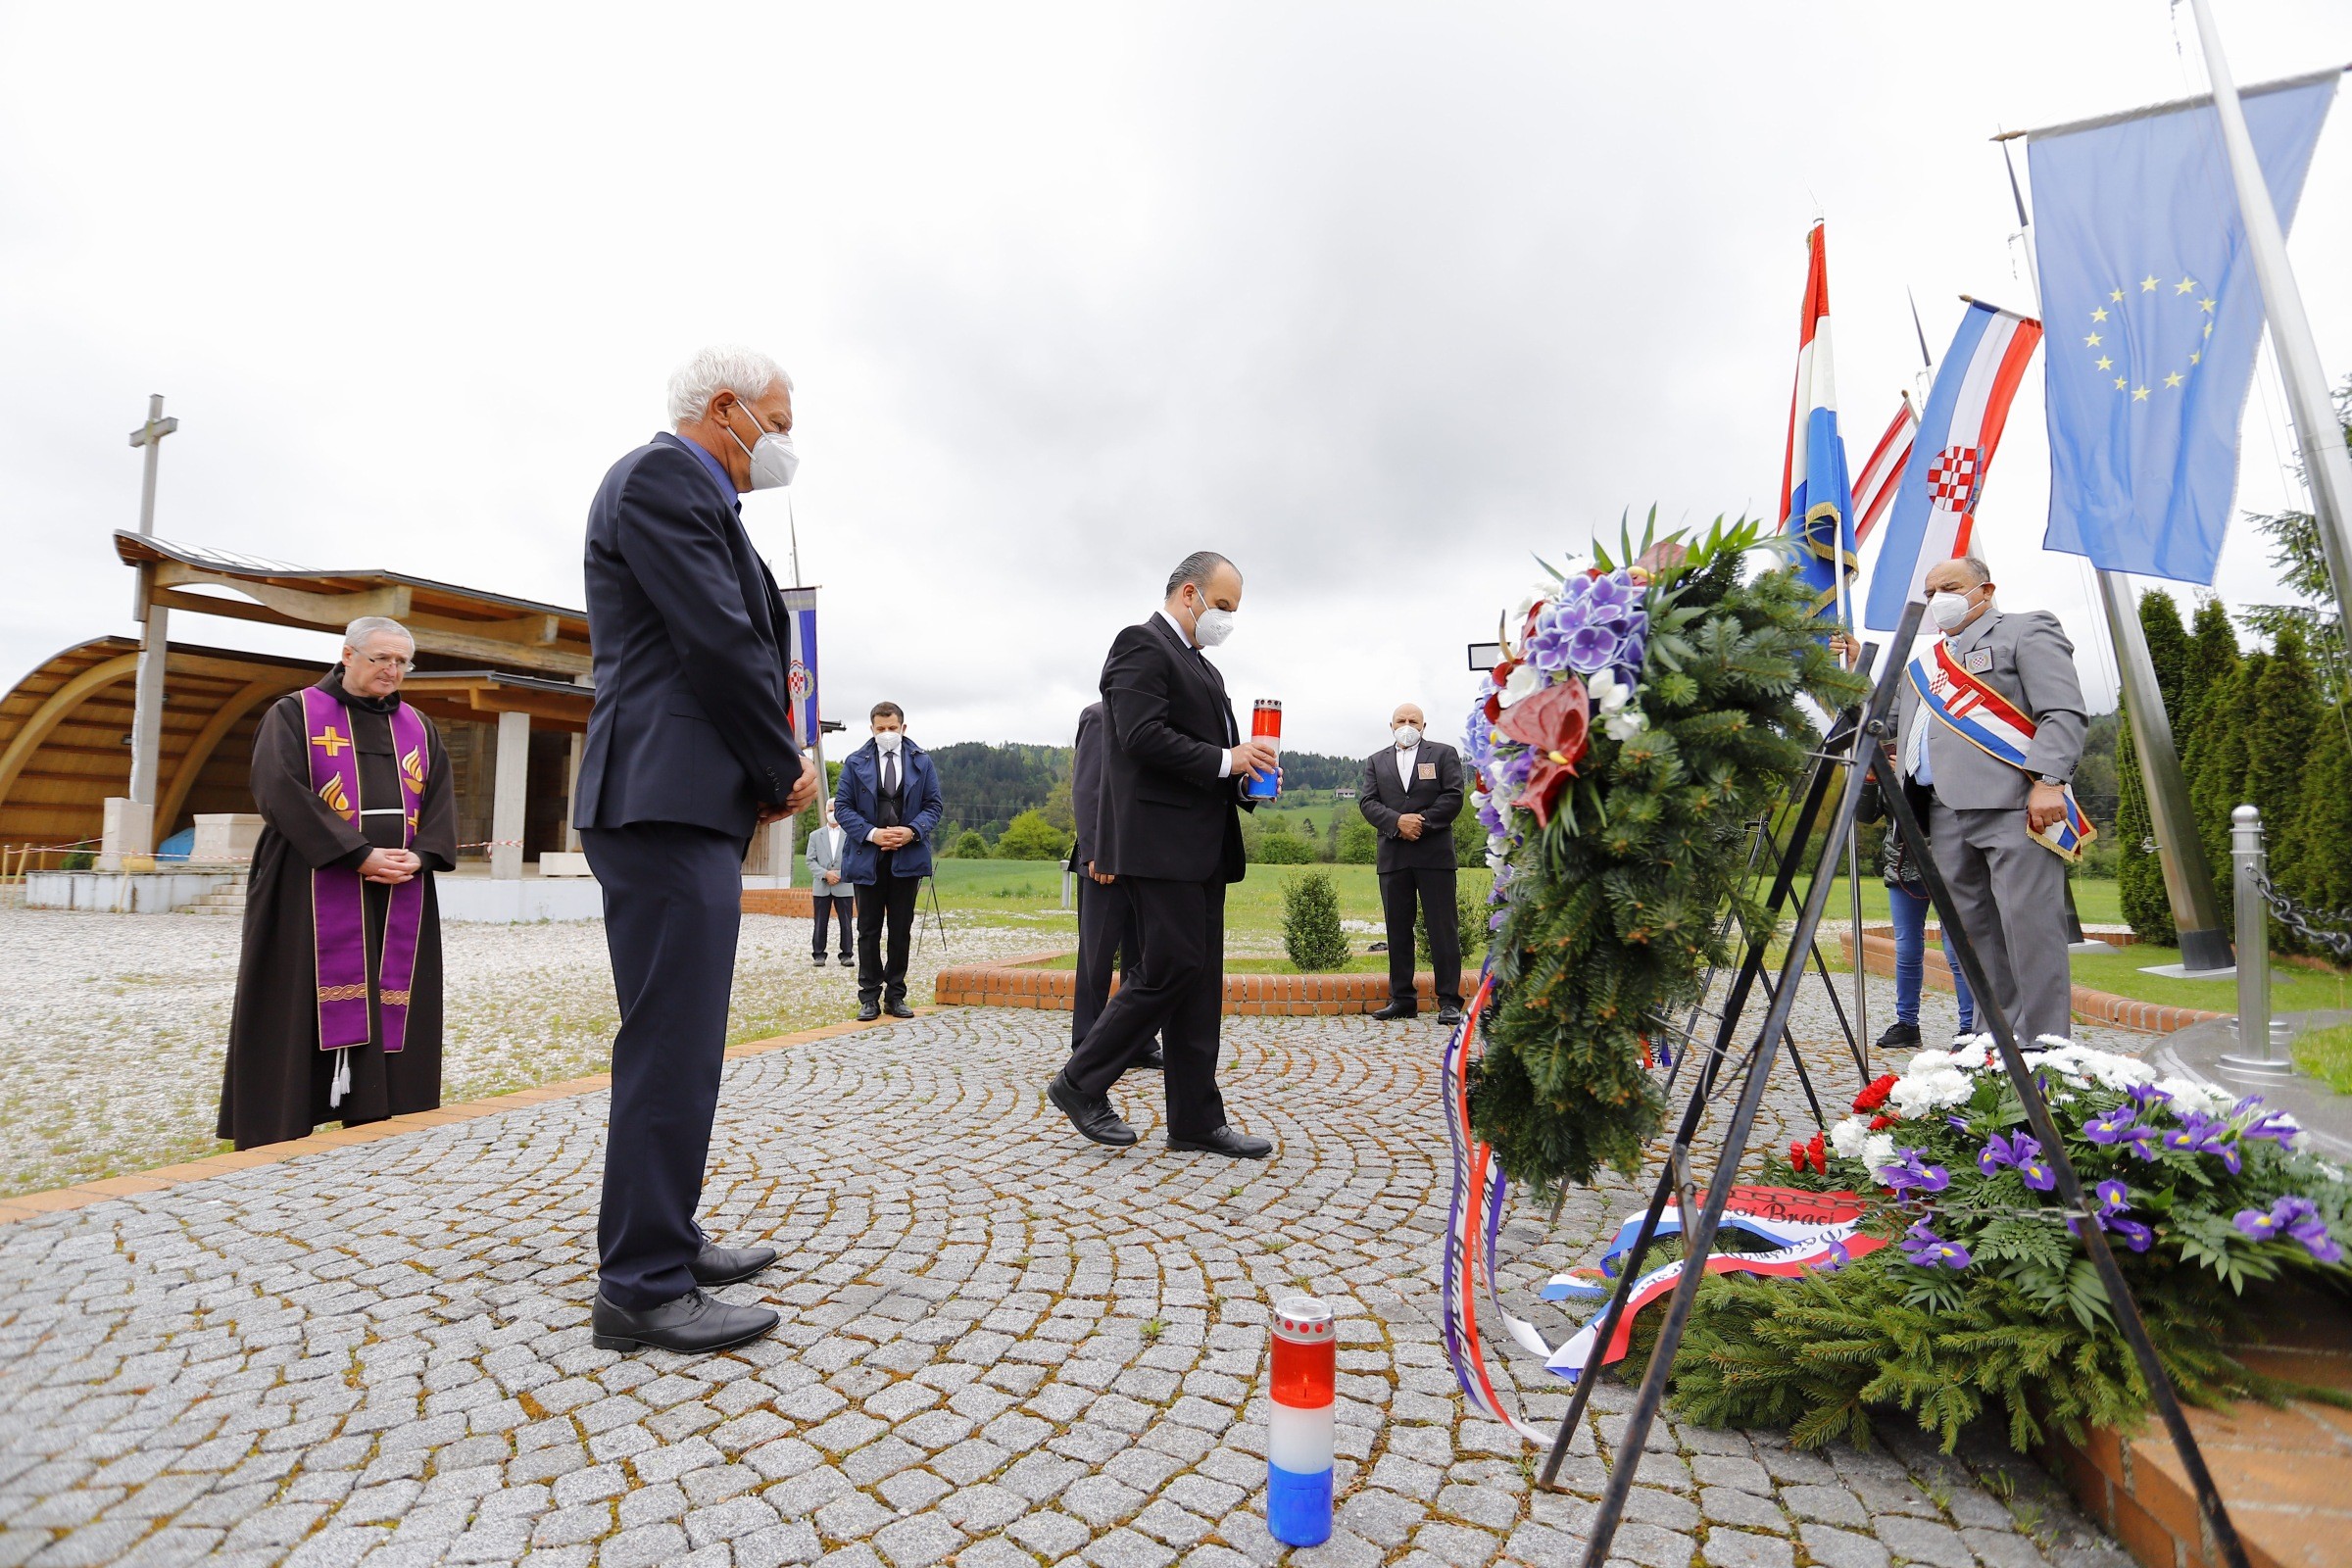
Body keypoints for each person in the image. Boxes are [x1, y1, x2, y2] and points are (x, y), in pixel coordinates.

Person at [574, 345, 820, 1355]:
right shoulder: (664, 479)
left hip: (681, 799)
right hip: (661, 797)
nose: (787, 443)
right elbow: (717, 642)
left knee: (683, 1038)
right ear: (727, 410)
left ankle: (666, 1236)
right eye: (779, 420)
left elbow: (743, 638)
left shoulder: (704, 500)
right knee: (670, 1043)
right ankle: (639, 1284)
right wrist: (780, 766)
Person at [1047, 552, 1275, 1158]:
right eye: (1223, 606)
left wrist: (1244, 770)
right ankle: (1080, 1081)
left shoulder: (1204, 668)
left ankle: (1196, 1118)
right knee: (1169, 966)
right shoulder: (1139, 644)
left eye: (1234, 610)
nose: (1227, 619)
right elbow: (1140, 735)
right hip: (1157, 845)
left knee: (1200, 982)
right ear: (1191, 593)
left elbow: (1205, 752)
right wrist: (1227, 759)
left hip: (1204, 847)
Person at [218, 617, 457, 1150]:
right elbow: (277, 788)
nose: (392, 671)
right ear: (347, 655)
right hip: (309, 883)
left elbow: (440, 798)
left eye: (402, 662)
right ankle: (283, 1124)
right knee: (296, 999)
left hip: (400, 890)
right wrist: (356, 855)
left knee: (393, 996)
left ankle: (385, 1111)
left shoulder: (419, 726)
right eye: (381, 659)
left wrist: (420, 857)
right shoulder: (295, 713)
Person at [1895, 554, 2087, 1044]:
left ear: (1984, 589)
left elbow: (2062, 712)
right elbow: (1883, 719)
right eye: (1932, 589)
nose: (1940, 598)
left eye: (1951, 587)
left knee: (2030, 931)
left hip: (2015, 805)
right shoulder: (1923, 667)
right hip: (1942, 811)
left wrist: (2048, 781)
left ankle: (2045, 1046)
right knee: (1973, 937)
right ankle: (1993, 1039)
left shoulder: (2026, 630)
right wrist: (1849, 665)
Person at [1859, 742, 1977, 1049]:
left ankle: (1969, 1030)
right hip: (1902, 867)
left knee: (1957, 951)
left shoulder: (1944, 752)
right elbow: (1864, 814)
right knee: (1907, 950)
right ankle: (1907, 1024)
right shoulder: (1890, 759)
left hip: (1948, 868)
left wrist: (1914, 776)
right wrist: (1872, 778)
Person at [1357, 703, 1466, 1025]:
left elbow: (1453, 796)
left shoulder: (1444, 754)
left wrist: (1420, 823)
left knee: (1442, 929)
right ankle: (1402, 998)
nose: (1407, 725)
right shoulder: (1376, 762)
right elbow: (1368, 802)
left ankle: (1449, 1000)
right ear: (1391, 725)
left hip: (1434, 855)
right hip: (1394, 856)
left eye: (1413, 721)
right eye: (1401, 720)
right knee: (1398, 929)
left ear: (1424, 725)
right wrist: (1396, 821)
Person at [1069, 700, 1162, 1069]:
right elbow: (1087, 788)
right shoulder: (1097, 716)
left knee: (1142, 958)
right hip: (1103, 862)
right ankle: (1087, 1048)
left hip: (1146, 860)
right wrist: (1096, 851)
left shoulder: (1152, 720)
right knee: (1096, 958)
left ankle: (1137, 1042)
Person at [835, 703, 942, 1021]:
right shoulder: (855, 762)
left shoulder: (922, 762)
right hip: (867, 857)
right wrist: (871, 834)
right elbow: (842, 807)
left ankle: (896, 995)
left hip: (906, 858)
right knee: (867, 929)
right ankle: (869, 996)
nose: (887, 734)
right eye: (881, 729)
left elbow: (933, 805)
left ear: (903, 728)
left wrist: (912, 831)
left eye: (892, 728)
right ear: (872, 729)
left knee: (901, 929)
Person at [806, 805, 856, 966]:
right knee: (820, 921)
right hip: (822, 885)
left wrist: (840, 874)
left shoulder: (850, 835)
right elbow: (810, 860)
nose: (833, 813)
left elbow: (854, 858)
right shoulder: (815, 835)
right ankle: (819, 954)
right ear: (825, 812)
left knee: (846, 921)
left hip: (844, 884)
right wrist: (825, 874)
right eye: (830, 810)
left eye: (836, 810)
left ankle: (846, 954)